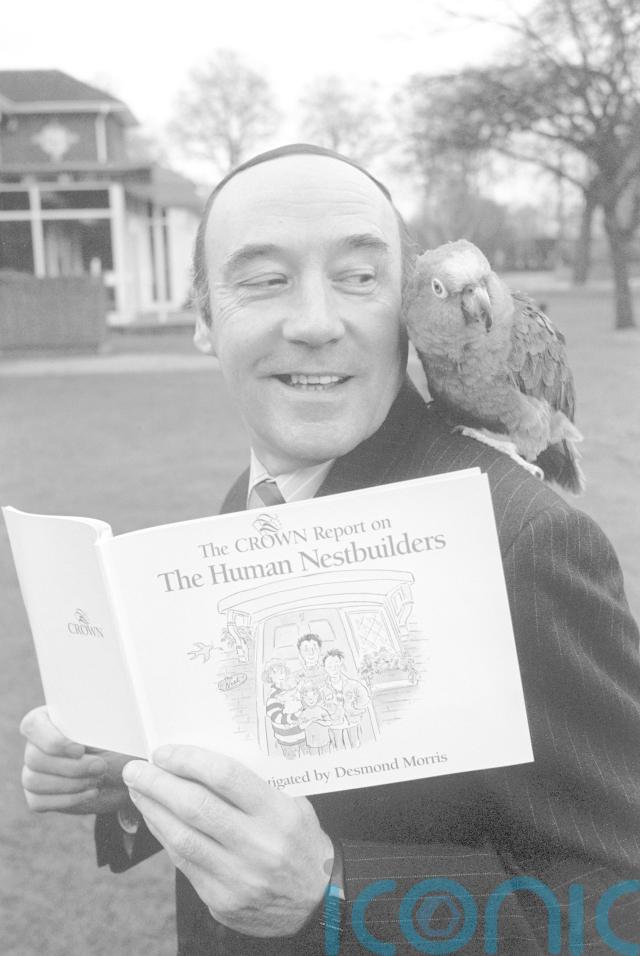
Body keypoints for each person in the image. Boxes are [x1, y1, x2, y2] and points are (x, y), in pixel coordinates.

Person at [19, 144, 640, 954]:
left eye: (359, 277)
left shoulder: (524, 541)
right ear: (204, 319)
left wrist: (337, 886)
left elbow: (622, 906)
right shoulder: (249, 501)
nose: (316, 323)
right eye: (264, 279)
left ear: (405, 310)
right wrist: (130, 776)